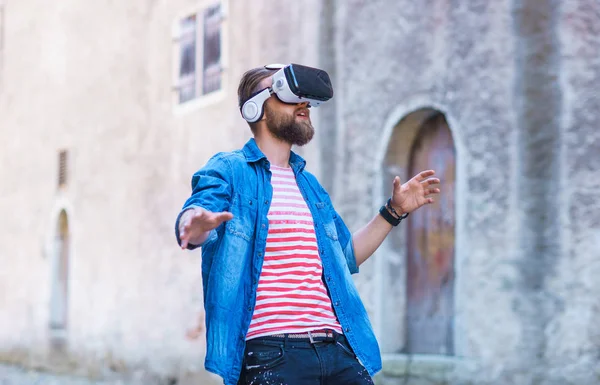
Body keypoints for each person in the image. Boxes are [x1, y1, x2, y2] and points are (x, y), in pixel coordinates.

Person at [175, 64, 440, 385]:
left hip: (338, 350)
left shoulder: (310, 186)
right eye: (287, 93)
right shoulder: (230, 169)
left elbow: (345, 257)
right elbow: (200, 211)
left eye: (304, 98)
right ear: (255, 108)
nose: (302, 103)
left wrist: (394, 211)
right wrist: (196, 224)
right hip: (272, 353)